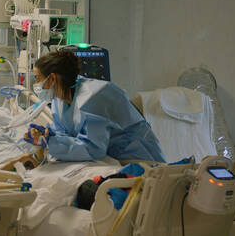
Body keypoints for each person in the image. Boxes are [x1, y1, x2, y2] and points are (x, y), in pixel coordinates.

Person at [29, 50, 166, 163]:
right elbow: (64, 132)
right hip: (110, 157)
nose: (36, 84)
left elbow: (92, 148)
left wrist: (51, 143)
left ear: (52, 78)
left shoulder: (93, 97)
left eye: (37, 78)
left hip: (137, 158)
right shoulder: (59, 100)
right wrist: (46, 134)